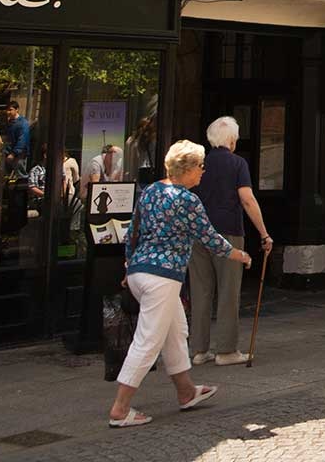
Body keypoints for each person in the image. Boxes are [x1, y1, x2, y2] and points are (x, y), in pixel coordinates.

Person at [107, 140, 253, 428]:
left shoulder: (150, 191)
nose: (202, 171)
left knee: (176, 332)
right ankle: (120, 408)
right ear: (186, 169)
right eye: (199, 166)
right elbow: (209, 237)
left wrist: (128, 266)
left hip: (141, 272)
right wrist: (239, 254)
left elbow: (132, 231)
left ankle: (186, 392)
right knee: (148, 340)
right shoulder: (187, 200)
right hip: (163, 276)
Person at [189, 116, 272, 366]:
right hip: (228, 232)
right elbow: (247, 199)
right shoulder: (237, 163)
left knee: (200, 291)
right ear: (233, 140)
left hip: (198, 232)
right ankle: (226, 350)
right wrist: (263, 233)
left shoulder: (198, 163)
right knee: (228, 290)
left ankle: (200, 350)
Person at [0, 99, 31, 168]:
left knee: (19, 172)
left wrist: (14, 153)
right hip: (9, 152)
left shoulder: (22, 123)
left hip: (19, 154)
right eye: (7, 110)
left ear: (17, 110)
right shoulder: (10, 122)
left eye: (10, 110)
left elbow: (22, 140)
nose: (8, 112)